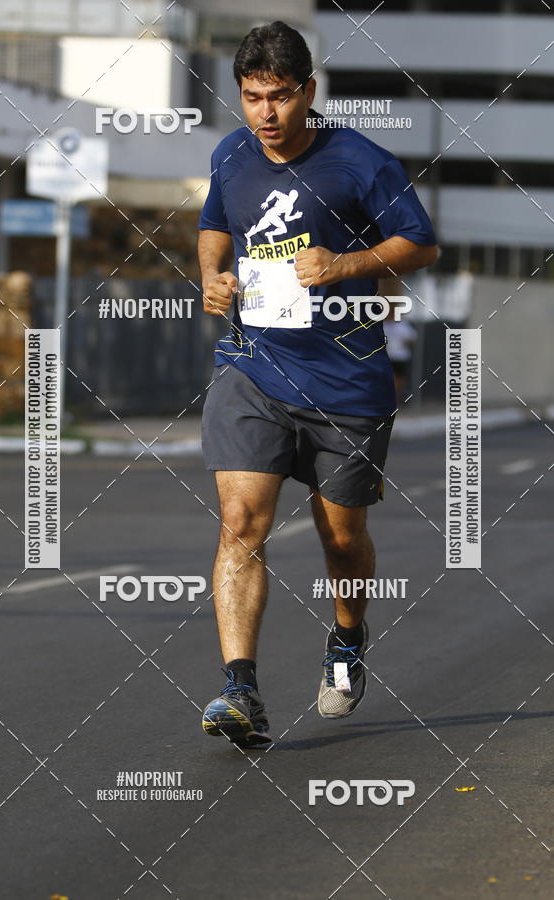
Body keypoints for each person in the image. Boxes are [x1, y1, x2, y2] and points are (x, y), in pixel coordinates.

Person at [197, 21, 438, 747]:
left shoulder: (360, 161)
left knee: (341, 538)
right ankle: (240, 688)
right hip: (252, 367)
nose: (265, 113)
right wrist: (211, 275)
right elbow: (214, 225)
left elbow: (420, 243)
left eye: (279, 96)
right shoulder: (232, 154)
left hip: (346, 383)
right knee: (241, 521)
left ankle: (347, 637)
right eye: (251, 97)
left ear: (308, 90)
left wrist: (343, 265)